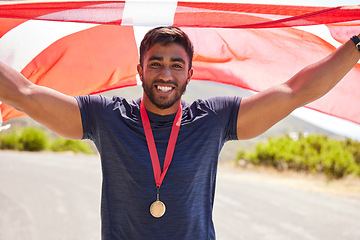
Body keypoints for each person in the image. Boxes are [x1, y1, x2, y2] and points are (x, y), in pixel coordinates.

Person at [0, 26, 359, 239]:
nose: (165, 74)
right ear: (139, 70)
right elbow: (24, 93)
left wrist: (355, 45)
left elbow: (295, 92)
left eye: (176, 65)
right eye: (155, 63)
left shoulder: (214, 118)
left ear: (190, 73)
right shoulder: (106, 117)